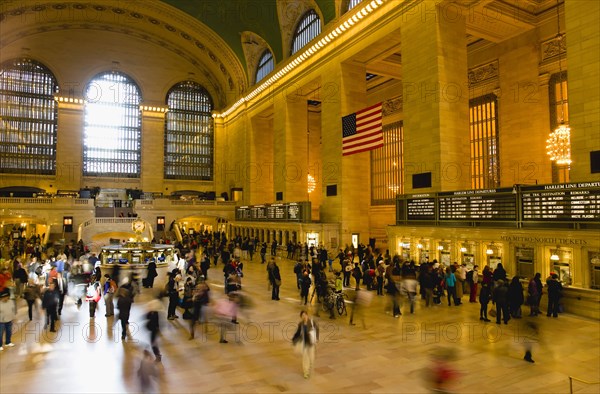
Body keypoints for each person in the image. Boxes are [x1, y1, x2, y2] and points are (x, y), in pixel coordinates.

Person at [292, 310, 319, 379]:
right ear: (301, 317)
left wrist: (317, 338)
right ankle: (306, 372)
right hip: (304, 343)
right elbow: (298, 333)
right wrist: (294, 339)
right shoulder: (300, 324)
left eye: (305, 315)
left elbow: (317, 330)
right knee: (305, 358)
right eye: (302, 316)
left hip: (311, 343)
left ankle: (310, 366)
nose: (304, 317)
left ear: (307, 315)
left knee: (311, 358)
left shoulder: (312, 322)